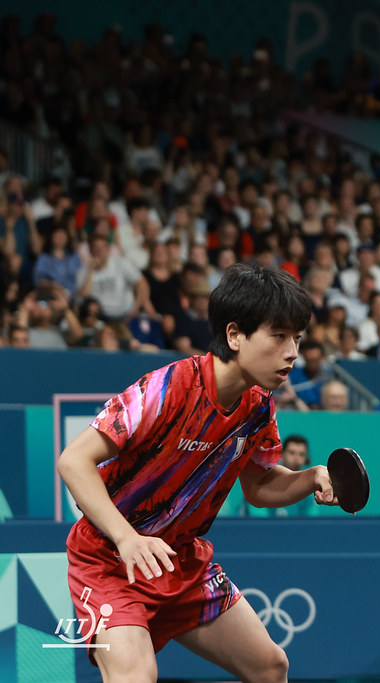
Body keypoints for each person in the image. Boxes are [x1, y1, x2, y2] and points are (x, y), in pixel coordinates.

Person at [56, 263, 344, 682]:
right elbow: (73, 461)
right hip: (110, 560)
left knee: (270, 666)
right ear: (234, 335)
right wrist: (126, 538)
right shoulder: (167, 388)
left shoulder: (258, 405)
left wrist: (310, 476)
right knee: (135, 675)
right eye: (278, 336)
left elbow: (260, 486)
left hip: (180, 560)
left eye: (297, 339)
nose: (292, 352)